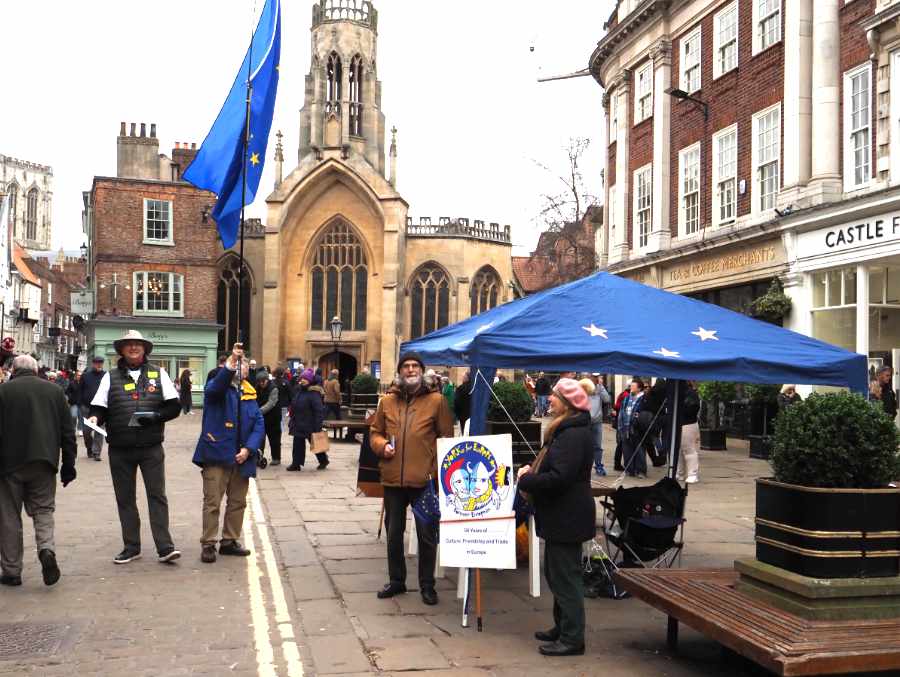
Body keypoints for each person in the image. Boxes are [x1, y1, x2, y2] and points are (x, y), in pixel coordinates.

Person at [88, 329, 182, 565]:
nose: (133, 347)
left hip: (151, 446)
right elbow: (99, 407)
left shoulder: (158, 373)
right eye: (128, 344)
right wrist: (93, 419)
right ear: (121, 349)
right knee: (125, 498)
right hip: (120, 447)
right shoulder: (109, 377)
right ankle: (131, 547)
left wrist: (155, 416)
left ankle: (165, 547)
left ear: (144, 349)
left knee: (157, 496)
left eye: (137, 344)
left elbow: (174, 407)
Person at [517, 378, 594, 656]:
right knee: (556, 572)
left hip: (568, 514)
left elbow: (559, 478)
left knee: (565, 578)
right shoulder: (567, 429)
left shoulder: (572, 434)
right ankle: (562, 627)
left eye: (554, 396)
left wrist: (528, 480)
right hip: (563, 514)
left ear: (568, 402)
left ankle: (573, 638)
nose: (549, 399)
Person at [370, 352, 453, 606]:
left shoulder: (437, 401)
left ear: (422, 370)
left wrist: (434, 468)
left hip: (423, 480)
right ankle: (397, 581)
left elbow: (446, 437)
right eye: (405, 366)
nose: (410, 369)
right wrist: (382, 445)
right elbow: (375, 432)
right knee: (394, 533)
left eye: (415, 365)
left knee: (426, 534)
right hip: (393, 479)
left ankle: (427, 585)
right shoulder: (387, 402)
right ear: (399, 371)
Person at [0, 355, 77, 587]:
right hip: (44, 461)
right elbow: (68, 432)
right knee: (44, 510)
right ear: (36, 370)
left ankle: (12, 570)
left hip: (8, 465)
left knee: (8, 516)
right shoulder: (54, 392)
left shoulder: (3, 391)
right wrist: (68, 465)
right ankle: (46, 549)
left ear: (13, 370)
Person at [193, 344, 264, 563]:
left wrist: (248, 449)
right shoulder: (217, 388)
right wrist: (231, 362)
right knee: (212, 502)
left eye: (244, 365)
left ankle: (229, 540)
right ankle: (208, 543)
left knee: (237, 502)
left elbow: (258, 424)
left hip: (242, 457)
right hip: (217, 453)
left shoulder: (249, 394)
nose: (243, 368)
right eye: (238, 364)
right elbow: (217, 387)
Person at [287, 368, 326, 471]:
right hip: (298, 422)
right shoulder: (299, 391)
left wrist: (318, 426)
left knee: (316, 444)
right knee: (297, 444)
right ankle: (296, 464)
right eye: (301, 378)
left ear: (310, 380)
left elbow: (319, 411)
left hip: (310, 424)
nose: (302, 380)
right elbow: (294, 403)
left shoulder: (314, 393)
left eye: (305, 379)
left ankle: (323, 460)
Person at [617, 378, 647, 478]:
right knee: (627, 450)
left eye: (633, 386)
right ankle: (629, 470)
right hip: (626, 428)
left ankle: (641, 471)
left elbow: (645, 413)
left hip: (638, 428)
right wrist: (620, 426)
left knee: (639, 450)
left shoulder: (644, 399)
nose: (630, 388)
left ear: (639, 388)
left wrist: (640, 417)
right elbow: (622, 412)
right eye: (631, 386)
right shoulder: (627, 398)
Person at [79, 356, 107, 461]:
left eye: (101, 362)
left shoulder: (106, 376)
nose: (99, 364)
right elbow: (80, 390)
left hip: (100, 408)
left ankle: (96, 453)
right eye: (97, 362)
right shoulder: (86, 376)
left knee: (99, 430)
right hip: (86, 407)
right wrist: (80, 404)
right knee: (86, 431)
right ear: (93, 364)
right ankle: (89, 448)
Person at [578, 378, 606, 476]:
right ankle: (582, 467)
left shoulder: (599, 389)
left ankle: (598, 466)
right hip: (585, 421)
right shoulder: (582, 388)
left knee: (597, 446)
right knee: (583, 445)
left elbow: (607, 399)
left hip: (597, 422)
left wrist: (601, 387)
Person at [255, 368, 282, 466]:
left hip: (273, 418)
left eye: (263, 381)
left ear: (267, 379)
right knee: (259, 440)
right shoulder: (257, 387)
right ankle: (258, 458)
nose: (262, 383)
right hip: (261, 419)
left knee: (274, 440)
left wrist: (258, 411)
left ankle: (276, 458)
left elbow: (271, 403)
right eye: (260, 381)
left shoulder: (273, 388)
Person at [677, 381, 701, 484]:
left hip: (688, 423)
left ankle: (692, 474)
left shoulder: (690, 393)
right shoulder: (684, 392)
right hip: (683, 422)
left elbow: (692, 408)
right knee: (679, 450)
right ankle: (680, 473)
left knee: (689, 449)